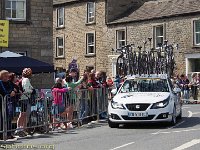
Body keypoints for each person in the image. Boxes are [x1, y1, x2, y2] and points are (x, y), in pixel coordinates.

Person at [15, 68, 34, 136]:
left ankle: (20, 129)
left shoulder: (22, 79)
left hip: (23, 98)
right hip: (25, 98)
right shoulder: (26, 80)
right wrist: (32, 91)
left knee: (23, 114)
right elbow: (26, 90)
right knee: (23, 115)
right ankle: (21, 129)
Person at [0, 70, 16, 140]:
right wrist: (10, 92)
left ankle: (9, 133)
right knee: (1, 119)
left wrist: (12, 91)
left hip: (6, 103)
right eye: (6, 76)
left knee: (8, 118)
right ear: (2, 76)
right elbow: (4, 91)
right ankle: (2, 134)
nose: (7, 77)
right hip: (1, 103)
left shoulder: (8, 82)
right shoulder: (0, 82)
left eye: (8, 76)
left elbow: (13, 88)